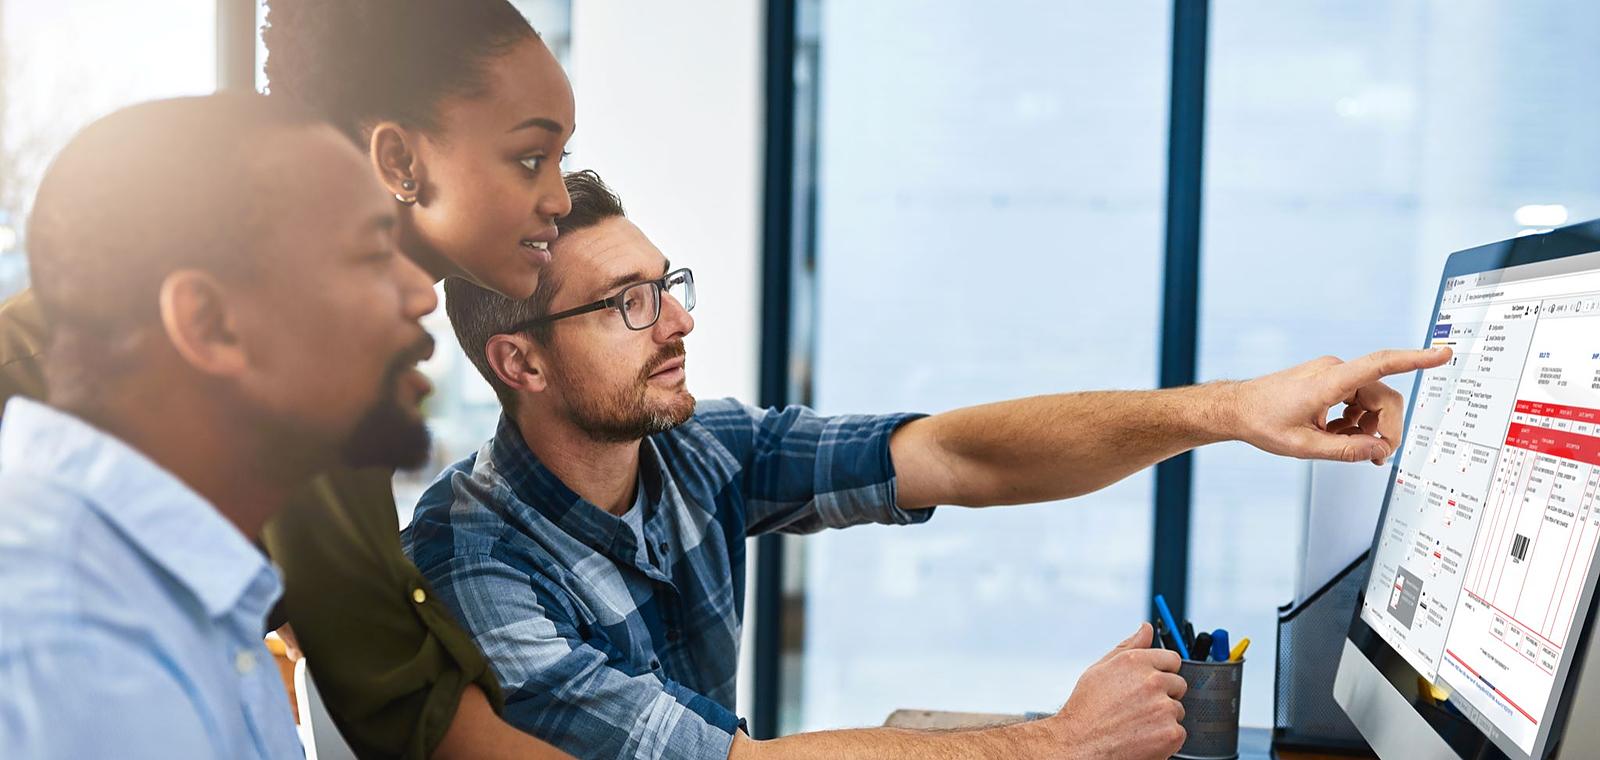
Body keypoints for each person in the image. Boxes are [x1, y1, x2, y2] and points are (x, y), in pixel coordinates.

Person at [404, 170, 1453, 759]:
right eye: (626, 302)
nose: (678, 319)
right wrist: (1056, 742)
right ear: (518, 361)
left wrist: (1229, 411)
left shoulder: (694, 447)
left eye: (665, 282)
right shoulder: (472, 555)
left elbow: (952, 452)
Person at [0, 95, 436, 757]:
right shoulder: (71, 650)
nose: (422, 293)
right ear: (211, 324)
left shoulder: (174, 593)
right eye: (375, 253)